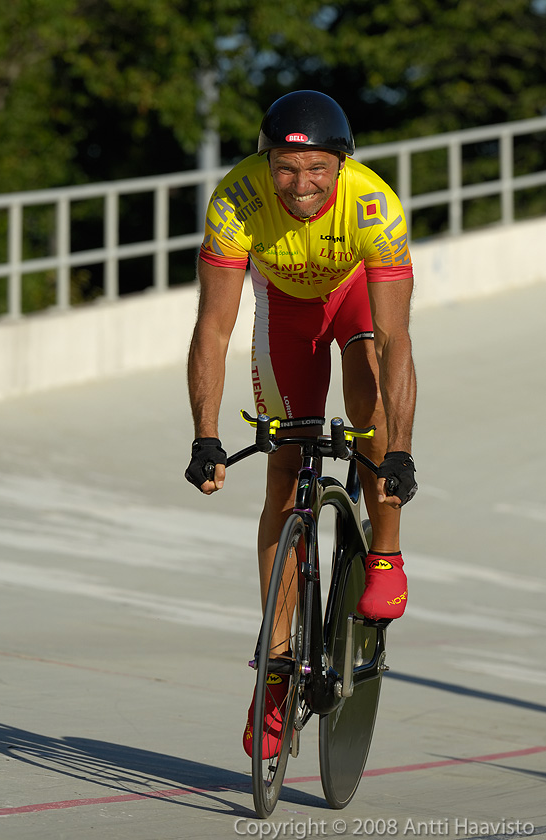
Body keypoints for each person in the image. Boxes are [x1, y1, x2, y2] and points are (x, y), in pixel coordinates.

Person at [185, 90, 417, 757]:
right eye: (286, 171)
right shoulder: (235, 200)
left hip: (353, 302)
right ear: (265, 165)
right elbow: (212, 327)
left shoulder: (374, 206)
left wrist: (397, 450)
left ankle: (386, 552)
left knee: (370, 386)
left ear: (340, 165)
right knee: (283, 475)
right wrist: (204, 436)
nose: (301, 185)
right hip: (285, 313)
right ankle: (277, 674)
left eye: (316, 168)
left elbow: (399, 339)